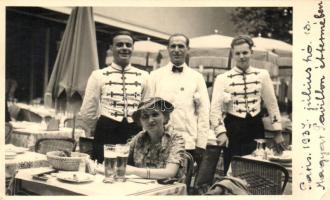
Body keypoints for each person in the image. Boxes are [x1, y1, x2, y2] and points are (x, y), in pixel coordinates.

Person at [210, 35, 286, 173]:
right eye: (237, 53)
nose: (242, 56)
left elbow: (272, 104)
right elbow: (214, 109)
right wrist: (220, 132)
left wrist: (277, 132)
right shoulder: (222, 78)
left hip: (255, 126)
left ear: (251, 52)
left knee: (256, 166)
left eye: (245, 52)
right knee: (233, 166)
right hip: (233, 127)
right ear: (233, 54)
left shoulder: (262, 75)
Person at [79, 31, 149, 163]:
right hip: (106, 130)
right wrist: (98, 128)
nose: (124, 48)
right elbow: (88, 109)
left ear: (133, 48)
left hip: (134, 131)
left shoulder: (144, 76)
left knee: (131, 170)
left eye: (128, 45)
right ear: (111, 48)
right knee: (103, 169)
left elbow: (146, 107)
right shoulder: (98, 75)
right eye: (119, 45)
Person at [145, 33, 210, 166]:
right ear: (168, 49)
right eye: (173, 46)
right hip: (159, 141)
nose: (176, 50)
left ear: (188, 49)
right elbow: (147, 111)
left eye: (181, 46)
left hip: (188, 142)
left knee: (183, 182)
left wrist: (201, 144)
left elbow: (204, 112)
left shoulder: (196, 78)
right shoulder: (155, 76)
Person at [126, 97, 185, 179]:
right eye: (145, 116)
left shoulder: (175, 138)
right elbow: (120, 158)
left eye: (155, 114)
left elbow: (170, 173)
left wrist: (133, 171)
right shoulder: (139, 137)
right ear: (140, 122)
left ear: (165, 117)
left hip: (168, 189)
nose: (150, 120)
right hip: (143, 186)